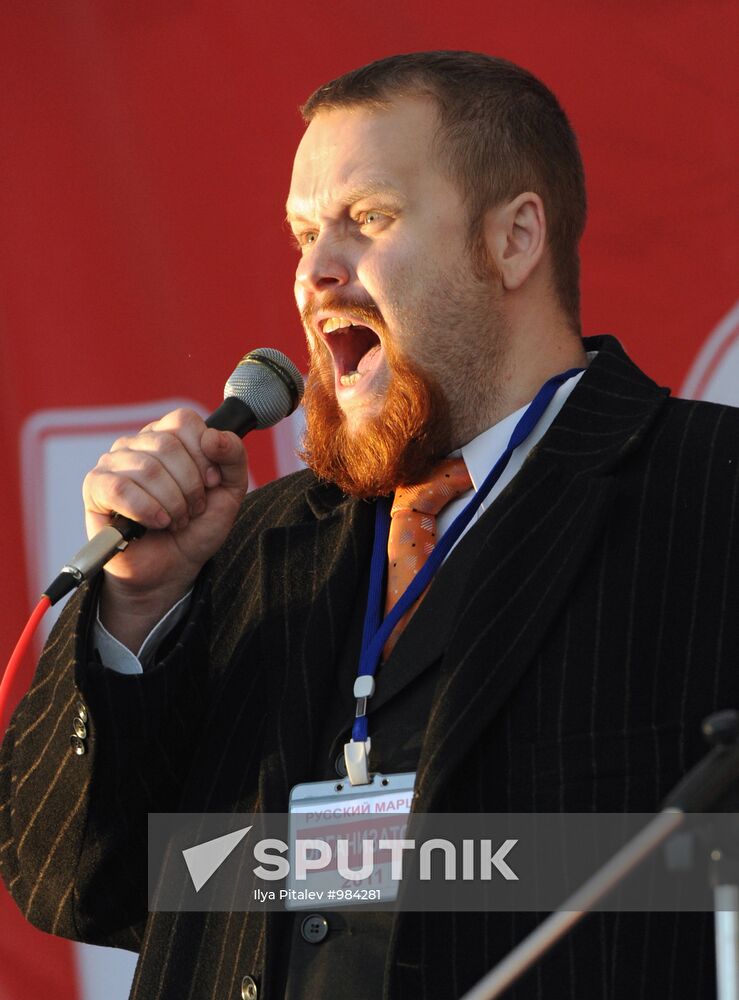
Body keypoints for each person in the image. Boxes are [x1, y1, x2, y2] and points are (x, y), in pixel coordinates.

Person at [1, 50, 738, 1000]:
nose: (314, 272)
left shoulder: (708, 489)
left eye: (369, 220)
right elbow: (80, 885)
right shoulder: (242, 546)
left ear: (513, 241)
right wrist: (136, 609)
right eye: (302, 233)